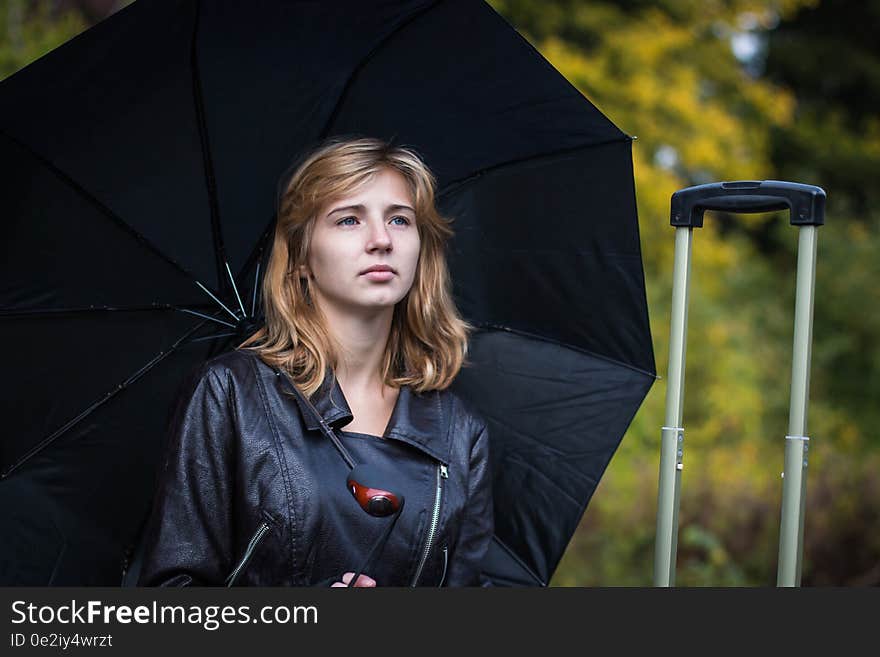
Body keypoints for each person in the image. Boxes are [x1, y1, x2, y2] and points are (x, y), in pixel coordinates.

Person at [137, 136, 493, 587]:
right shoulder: (229, 393)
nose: (381, 240)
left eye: (400, 220)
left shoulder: (461, 433)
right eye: (349, 219)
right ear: (302, 256)